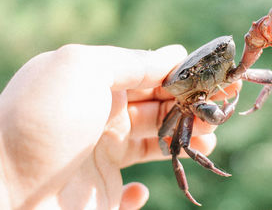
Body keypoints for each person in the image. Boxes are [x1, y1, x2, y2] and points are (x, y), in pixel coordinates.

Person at [0, 44, 241, 209]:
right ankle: (189, 187)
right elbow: (176, 146)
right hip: (185, 102)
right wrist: (12, 179)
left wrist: (16, 192)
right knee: (180, 147)